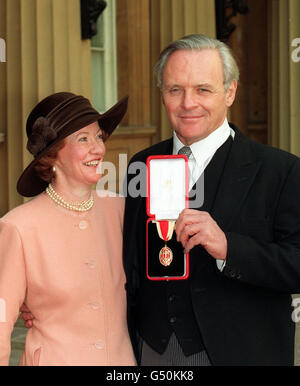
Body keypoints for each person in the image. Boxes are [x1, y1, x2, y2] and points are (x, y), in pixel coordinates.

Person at [123, 34, 300, 366]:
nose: (188, 103)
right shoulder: (140, 165)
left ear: (230, 92)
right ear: (162, 95)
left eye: (203, 89)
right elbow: (126, 261)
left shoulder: (282, 171)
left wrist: (229, 248)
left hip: (244, 352)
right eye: (175, 90)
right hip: (156, 353)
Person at [0, 92, 136, 366]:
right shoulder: (19, 227)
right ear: (52, 156)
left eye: (98, 136)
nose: (98, 149)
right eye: (83, 139)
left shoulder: (122, 210)